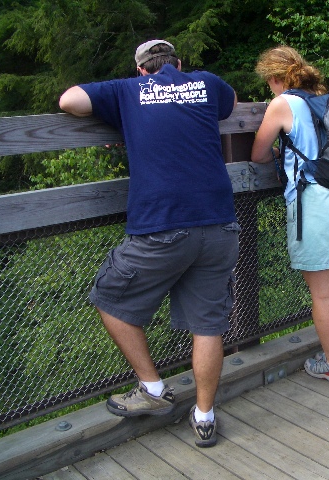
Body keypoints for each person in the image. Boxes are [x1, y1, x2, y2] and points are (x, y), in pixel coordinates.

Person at [59, 39, 238, 448]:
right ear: (180, 62)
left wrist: (125, 118)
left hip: (162, 225)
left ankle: (153, 390)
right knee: (208, 325)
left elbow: (69, 100)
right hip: (220, 224)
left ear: (141, 69)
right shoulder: (206, 83)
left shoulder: (127, 90)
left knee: (109, 298)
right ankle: (205, 416)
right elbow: (230, 104)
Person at [250, 46, 329, 384]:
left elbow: (258, 154)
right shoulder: (327, 99)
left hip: (314, 202)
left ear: (274, 78)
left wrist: (280, 152)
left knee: (322, 293)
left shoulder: (283, 104)